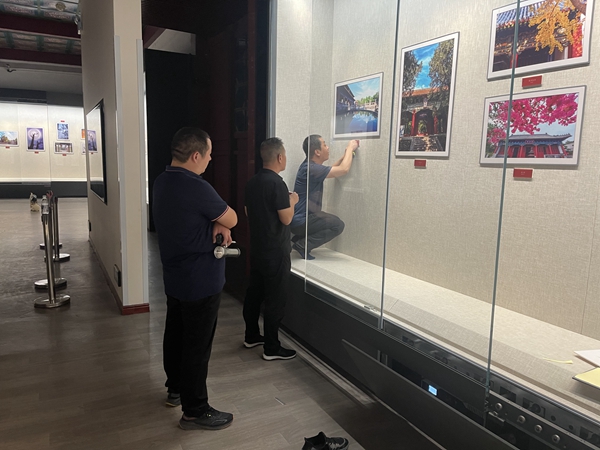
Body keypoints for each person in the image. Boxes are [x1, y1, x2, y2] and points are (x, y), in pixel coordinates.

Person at [153, 127, 237, 431]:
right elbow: (232, 218)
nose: (211, 159)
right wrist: (221, 223)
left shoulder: (162, 181)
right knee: (197, 346)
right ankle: (195, 410)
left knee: (175, 334)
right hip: (201, 279)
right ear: (196, 155)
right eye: (209, 154)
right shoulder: (196, 186)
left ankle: (175, 388)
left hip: (175, 275)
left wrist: (215, 222)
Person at [243, 137, 299, 360]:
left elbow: (247, 212)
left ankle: (251, 335)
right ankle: (272, 347)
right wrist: (292, 201)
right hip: (276, 251)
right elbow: (286, 219)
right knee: (275, 299)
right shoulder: (278, 184)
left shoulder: (252, 182)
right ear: (279, 157)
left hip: (258, 248)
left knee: (254, 294)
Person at [290, 135, 359, 259]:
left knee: (333, 220)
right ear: (317, 152)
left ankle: (299, 239)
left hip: (302, 219)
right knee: (337, 225)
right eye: (325, 145)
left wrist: (346, 155)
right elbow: (343, 170)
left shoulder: (310, 167)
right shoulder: (311, 168)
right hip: (302, 221)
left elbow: (335, 169)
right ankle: (302, 245)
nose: (328, 148)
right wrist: (350, 148)